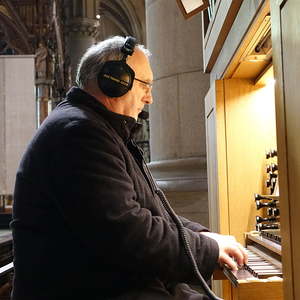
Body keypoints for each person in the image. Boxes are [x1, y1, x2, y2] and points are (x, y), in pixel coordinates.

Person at [11, 36, 247, 300]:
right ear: (114, 79)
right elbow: (128, 235)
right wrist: (209, 249)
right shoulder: (79, 134)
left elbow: (150, 212)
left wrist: (205, 237)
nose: (150, 98)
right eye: (145, 85)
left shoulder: (98, 130)